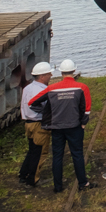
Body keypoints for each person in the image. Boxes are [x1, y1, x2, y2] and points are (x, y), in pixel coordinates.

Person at [29, 59, 96, 193]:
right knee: (77, 154)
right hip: (75, 126)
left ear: (61, 72)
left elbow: (32, 103)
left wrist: (48, 112)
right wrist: (83, 123)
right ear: (74, 71)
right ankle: (83, 183)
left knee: (57, 156)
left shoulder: (52, 88)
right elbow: (86, 109)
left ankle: (58, 186)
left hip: (57, 128)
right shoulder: (82, 87)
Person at [18, 61, 53, 188]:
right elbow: (36, 106)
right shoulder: (42, 90)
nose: (51, 76)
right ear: (42, 76)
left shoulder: (27, 88)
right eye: (49, 74)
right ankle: (33, 179)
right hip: (39, 124)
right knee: (41, 152)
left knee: (32, 150)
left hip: (28, 123)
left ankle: (23, 174)